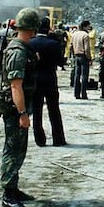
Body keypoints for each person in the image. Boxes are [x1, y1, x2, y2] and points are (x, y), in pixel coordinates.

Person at [0, 8, 40, 207]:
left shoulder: (22, 47)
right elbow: (15, 86)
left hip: (18, 109)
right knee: (13, 151)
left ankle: (13, 189)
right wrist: (23, 114)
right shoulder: (18, 51)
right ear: (32, 28)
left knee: (18, 150)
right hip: (15, 110)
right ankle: (8, 197)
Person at [29, 17, 67, 147]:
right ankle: (58, 139)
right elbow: (61, 62)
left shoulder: (30, 43)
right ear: (48, 27)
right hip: (50, 79)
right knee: (54, 109)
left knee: (36, 110)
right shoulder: (53, 43)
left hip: (35, 79)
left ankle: (40, 139)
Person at [70, 20, 92, 100]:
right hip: (83, 56)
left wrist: (73, 55)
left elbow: (71, 46)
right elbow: (87, 48)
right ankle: (83, 93)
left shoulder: (74, 34)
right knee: (84, 76)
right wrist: (89, 58)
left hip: (76, 56)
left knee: (77, 75)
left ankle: (76, 94)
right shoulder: (85, 35)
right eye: (88, 26)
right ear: (85, 26)